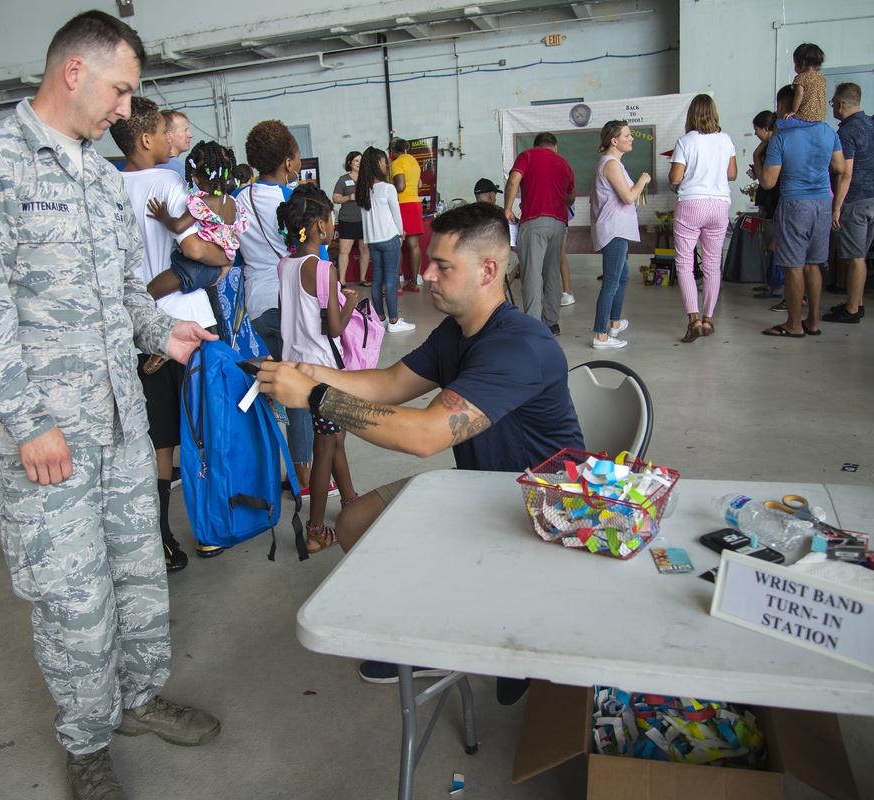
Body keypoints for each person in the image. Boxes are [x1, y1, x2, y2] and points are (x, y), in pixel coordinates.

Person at [0, 13, 221, 799]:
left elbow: (127, 291)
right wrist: (27, 421)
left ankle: (135, 697)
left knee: (136, 575)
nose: (127, 110)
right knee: (73, 596)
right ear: (74, 72)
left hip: (122, 423)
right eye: (121, 90)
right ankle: (86, 742)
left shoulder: (98, 176)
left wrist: (168, 328)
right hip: (46, 437)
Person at [256, 201, 583, 703]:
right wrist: (308, 373)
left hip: (541, 511)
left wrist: (317, 398)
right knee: (352, 523)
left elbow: (426, 435)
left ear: (488, 270)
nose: (426, 273)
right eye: (430, 261)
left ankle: (498, 629)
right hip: (480, 490)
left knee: (374, 527)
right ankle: (440, 634)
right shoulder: (457, 331)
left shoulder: (520, 346)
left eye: (443, 266)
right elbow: (388, 383)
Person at [111, 97, 232, 568]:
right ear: (146, 140)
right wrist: (223, 255)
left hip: (140, 330)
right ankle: (208, 530)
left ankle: (162, 539)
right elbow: (201, 250)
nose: (171, 141)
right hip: (189, 324)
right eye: (165, 133)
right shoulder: (170, 183)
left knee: (160, 437)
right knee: (203, 430)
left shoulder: (108, 188)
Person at [232, 119, 318, 495]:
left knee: (266, 391)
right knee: (297, 392)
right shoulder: (293, 200)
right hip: (290, 303)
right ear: (287, 162)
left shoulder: (237, 199)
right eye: (296, 159)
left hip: (254, 306)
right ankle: (304, 477)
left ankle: (272, 469)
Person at [275, 184, 360, 552]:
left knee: (334, 436)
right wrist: (352, 302)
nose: (332, 225)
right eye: (329, 218)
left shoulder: (285, 264)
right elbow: (336, 327)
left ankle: (351, 499)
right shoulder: (323, 268)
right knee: (325, 446)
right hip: (325, 371)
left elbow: (288, 315)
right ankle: (315, 531)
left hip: (296, 368)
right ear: (320, 226)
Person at [759, 84, 845, 338]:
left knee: (794, 266)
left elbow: (767, 182)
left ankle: (794, 324)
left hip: (795, 204)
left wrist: (759, 156)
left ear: (786, 106)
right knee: (813, 264)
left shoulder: (782, 138)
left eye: (778, 105)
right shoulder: (827, 131)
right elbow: (839, 167)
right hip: (823, 202)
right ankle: (813, 322)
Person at [668, 94, 737, 342]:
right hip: (719, 205)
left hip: (692, 204)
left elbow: (676, 178)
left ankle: (693, 320)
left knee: (685, 263)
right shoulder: (725, 139)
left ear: (691, 115)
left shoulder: (686, 141)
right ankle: (708, 320)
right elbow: (732, 174)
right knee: (712, 264)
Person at [145, 139, 247, 301]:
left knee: (147, 294)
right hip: (221, 261)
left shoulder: (203, 203)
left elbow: (178, 226)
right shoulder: (233, 204)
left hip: (196, 266)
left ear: (197, 179)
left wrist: (163, 217)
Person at [503, 132, 576, 336]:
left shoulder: (527, 156)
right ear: (555, 147)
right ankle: (551, 323)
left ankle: (533, 326)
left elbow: (513, 181)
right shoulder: (565, 164)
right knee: (552, 272)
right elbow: (571, 198)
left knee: (532, 274)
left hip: (534, 221)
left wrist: (507, 208)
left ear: (536, 145)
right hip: (559, 224)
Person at [590, 121, 650, 349]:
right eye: (627, 135)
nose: (631, 138)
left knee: (622, 277)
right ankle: (600, 336)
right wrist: (643, 180)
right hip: (614, 230)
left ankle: (614, 323)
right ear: (614, 141)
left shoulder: (613, 163)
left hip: (617, 229)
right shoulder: (611, 164)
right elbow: (628, 197)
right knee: (612, 282)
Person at [825, 82, 873, 325]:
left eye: (833, 103)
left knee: (855, 257)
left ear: (841, 105)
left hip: (855, 200)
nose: (832, 107)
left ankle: (852, 311)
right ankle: (858, 304)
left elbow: (846, 173)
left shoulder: (846, 132)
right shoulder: (871, 124)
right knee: (861, 256)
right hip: (873, 199)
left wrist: (837, 207)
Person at [356, 147, 414, 332]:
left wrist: (367, 238)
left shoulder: (362, 190)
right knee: (390, 279)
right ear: (376, 164)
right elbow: (396, 215)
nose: (386, 165)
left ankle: (380, 318)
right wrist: (401, 232)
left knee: (376, 279)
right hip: (389, 238)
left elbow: (364, 217)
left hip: (372, 240)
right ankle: (394, 322)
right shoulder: (388, 188)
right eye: (383, 162)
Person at [750, 110, 782, 299]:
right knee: (768, 246)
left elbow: (766, 181)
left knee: (774, 246)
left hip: (774, 202)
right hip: (768, 201)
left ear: (766, 129)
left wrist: (756, 157)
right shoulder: (769, 146)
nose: (755, 133)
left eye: (756, 129)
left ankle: (776, 287)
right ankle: (770, 284)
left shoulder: (773, 149)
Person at [390, 137, 424, 291]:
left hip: (402, 204)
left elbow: (401, 186)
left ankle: (397, 286)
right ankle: (414, 282)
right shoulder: (413, 161)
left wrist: (388, 190)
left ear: (392, 150)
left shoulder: (397, 163)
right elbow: (419, 184)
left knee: (398, 244)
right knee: (414, 245)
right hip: (416, 203)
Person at [332, 151, 370, 286]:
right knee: (344, 250)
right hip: (347, 220)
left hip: (365, 220)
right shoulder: (343, 179)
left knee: (365, 249)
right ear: (350, 163)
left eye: (361, 160)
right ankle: (342, 280)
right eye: (356, 161)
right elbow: (335, 198)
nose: (359, 163)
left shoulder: (367, 179)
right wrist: (349, 197)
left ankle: (363, 278)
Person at [781, 43, 827, 126]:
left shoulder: (801, 78)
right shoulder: (822, 77)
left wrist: (793, 111)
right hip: (820, 117)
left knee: (779, 124)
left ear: (802, 62)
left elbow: (799, 94)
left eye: (795, 63)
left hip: (805, 117)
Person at [156, 109, 194, 179]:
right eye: (185, 130)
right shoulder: (179, 169)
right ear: (168, 134)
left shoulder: (152, 165)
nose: (190, 135)